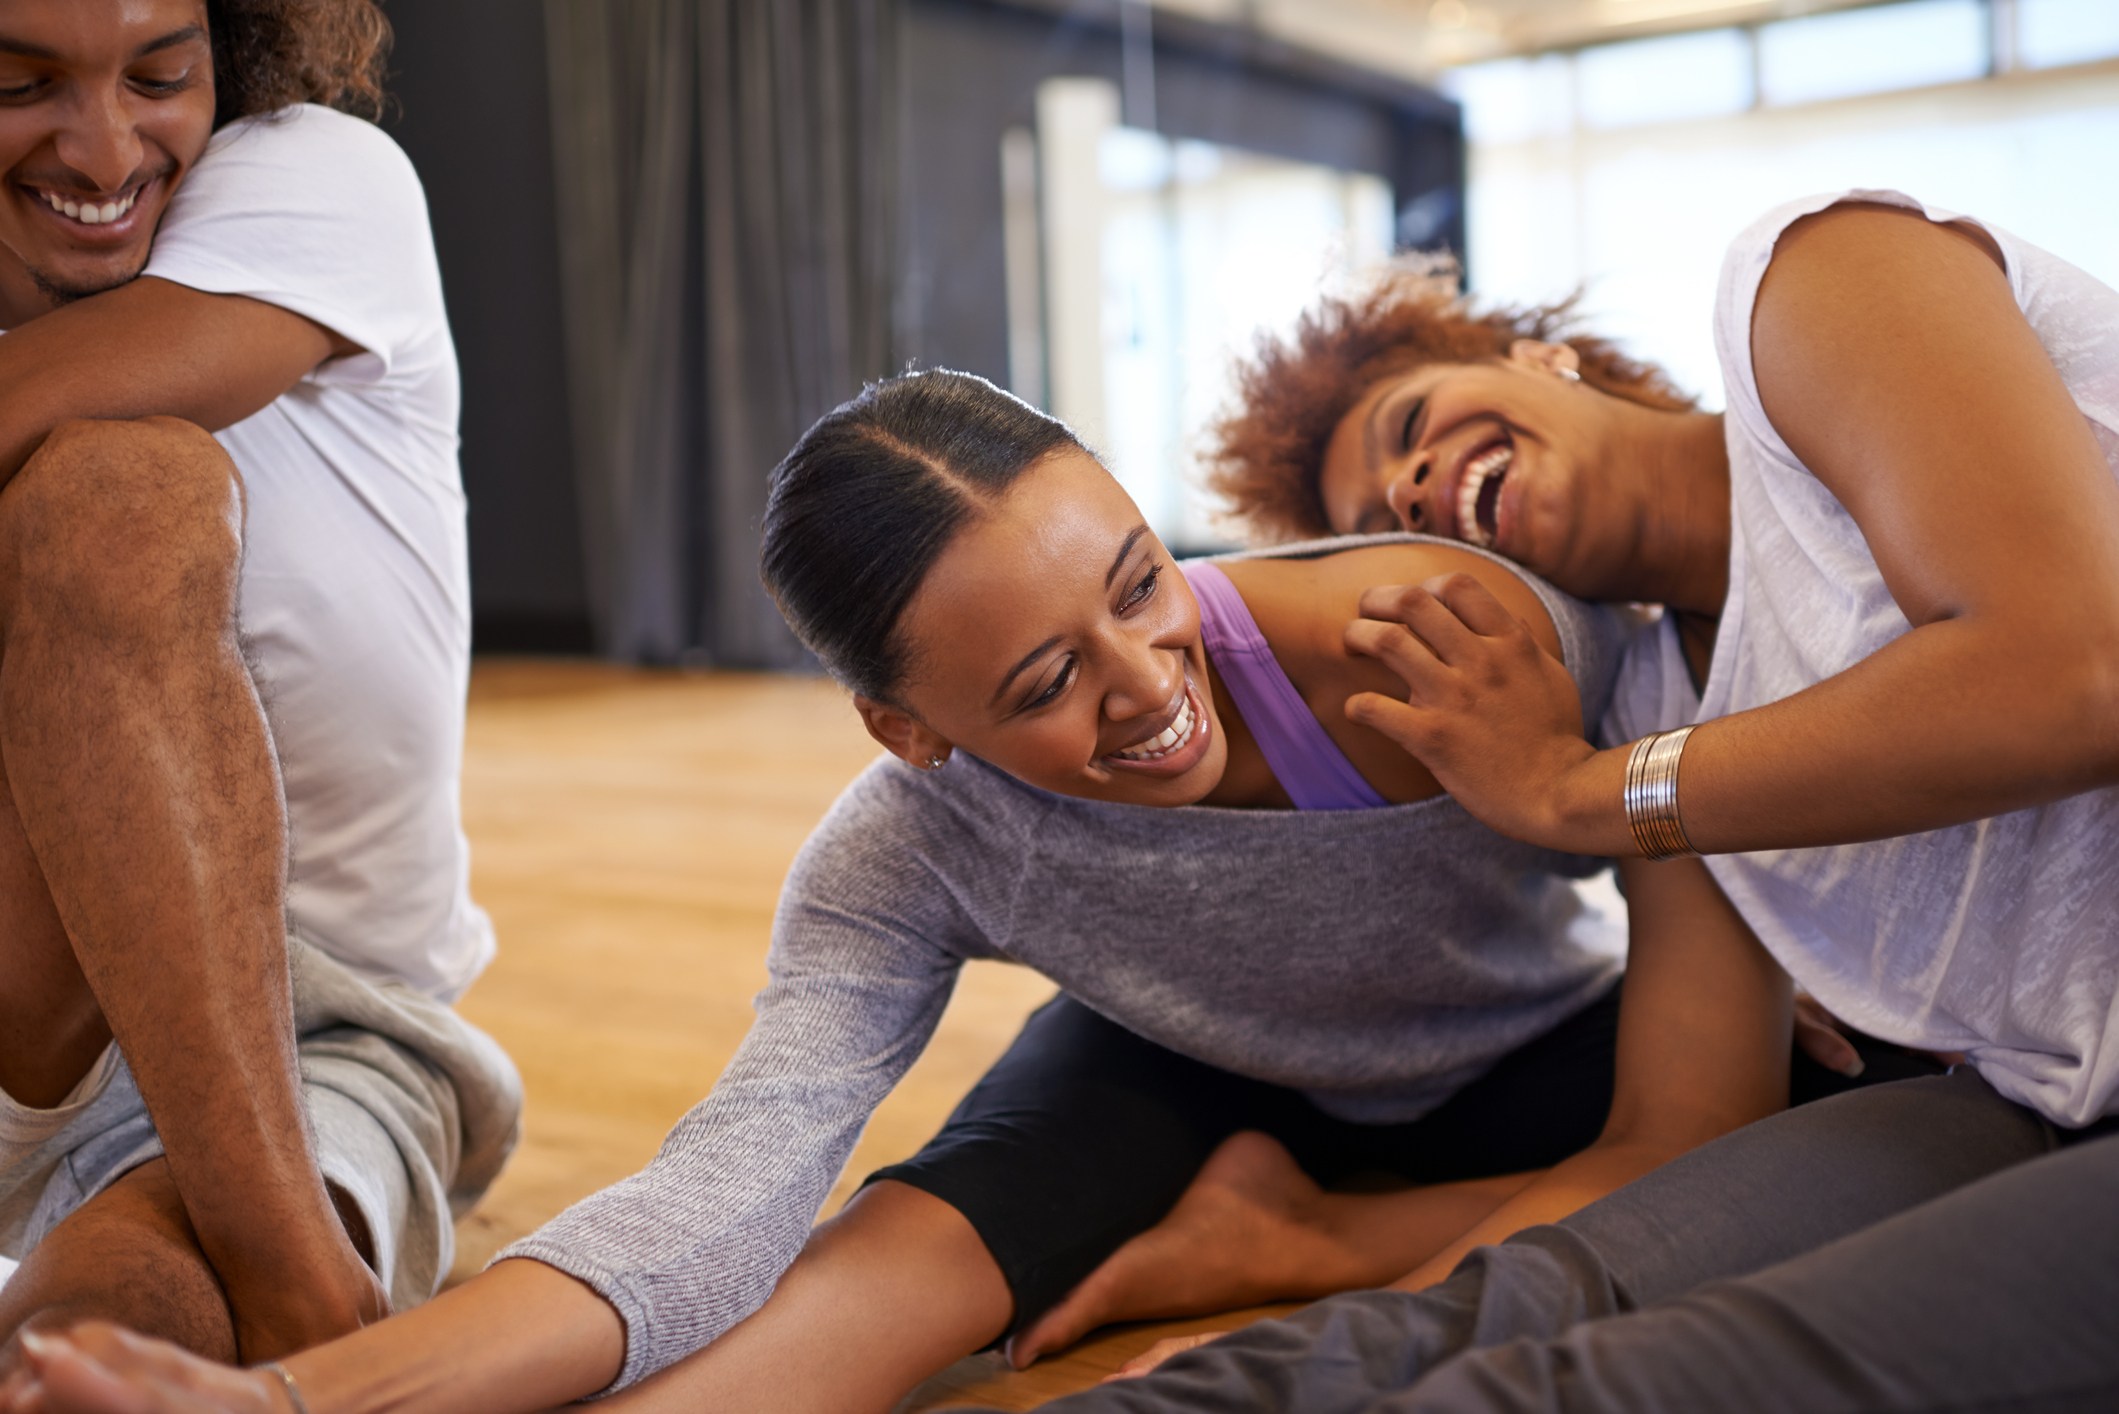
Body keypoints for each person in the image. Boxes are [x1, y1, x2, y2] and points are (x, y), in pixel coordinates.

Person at [0, 369, 1908, 1414]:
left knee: (1732, 1199)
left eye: (1138, 584)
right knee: (875, 1271)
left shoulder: (1426, 632)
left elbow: (1702, 881)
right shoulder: (904, 846)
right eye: (1036, 687)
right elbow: (720, 1192)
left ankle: (1296, 1230)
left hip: (1523, 1042)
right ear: (904, 729)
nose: (1148, 686)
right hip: (1189, 1058)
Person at [967, 191, 2119, 1408]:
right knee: (1444, 1334)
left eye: (1411, 423)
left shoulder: (1813, 274)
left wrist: (1578, 796)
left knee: (1615, 1384)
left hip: (2034, 1114)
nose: (1411, 488)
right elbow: (1678, 1133)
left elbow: (2071, 671)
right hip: (2040, 1100)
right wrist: (1375, 1314)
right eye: (1379, 526)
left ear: (1537, 358)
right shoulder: (1651, 707)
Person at [0, 0, 516, 1378]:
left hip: (327, 1036)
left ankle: (303, 1290)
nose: (106, 149)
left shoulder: (311, 172)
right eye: (17, 83)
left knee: (88, 1360)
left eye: (161, 74)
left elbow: (37, 403)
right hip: (22, 1024)